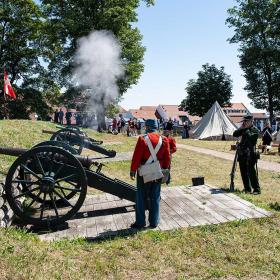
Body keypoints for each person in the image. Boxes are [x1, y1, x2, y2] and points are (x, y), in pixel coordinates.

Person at [130, 119, 170, 229]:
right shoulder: (165, 140)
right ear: (157, 127)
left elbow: (136, 157)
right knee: (155, 197)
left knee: (141, 198)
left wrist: (133, 170)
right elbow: (167, 159)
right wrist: (166, 172)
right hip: (157, 172)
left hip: (143, 172)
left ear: (147, 127)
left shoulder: (142, 139)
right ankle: (154, 222)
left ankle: (140, 222)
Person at [233, 115, 261, 195]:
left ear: (251, 121)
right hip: (242, 153)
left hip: (250, 154)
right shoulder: (243, 129)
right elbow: (235, 134)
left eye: (246, 121)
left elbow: (252, 137)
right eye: (244, 121)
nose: (244, 122)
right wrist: (241, 128)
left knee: (251, 172)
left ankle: (256, 189)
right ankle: (247, 189)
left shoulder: (255, 130)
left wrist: (246, 129)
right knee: (243, 172)